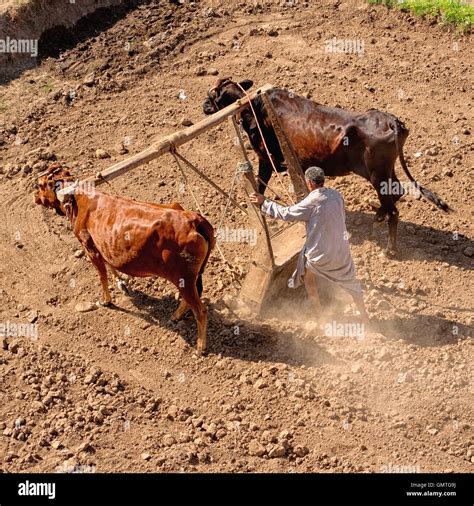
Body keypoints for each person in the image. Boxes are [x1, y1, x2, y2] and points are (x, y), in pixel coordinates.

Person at [250, 166, 369, 324]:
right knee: (351, 283)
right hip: (341, 251)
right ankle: (365, 318)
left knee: (308, 276)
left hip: (321, 254)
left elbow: (286, 214)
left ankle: (319, 316)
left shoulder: (312, 202)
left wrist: (264, 202)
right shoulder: (336, 195)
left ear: (310, 183)